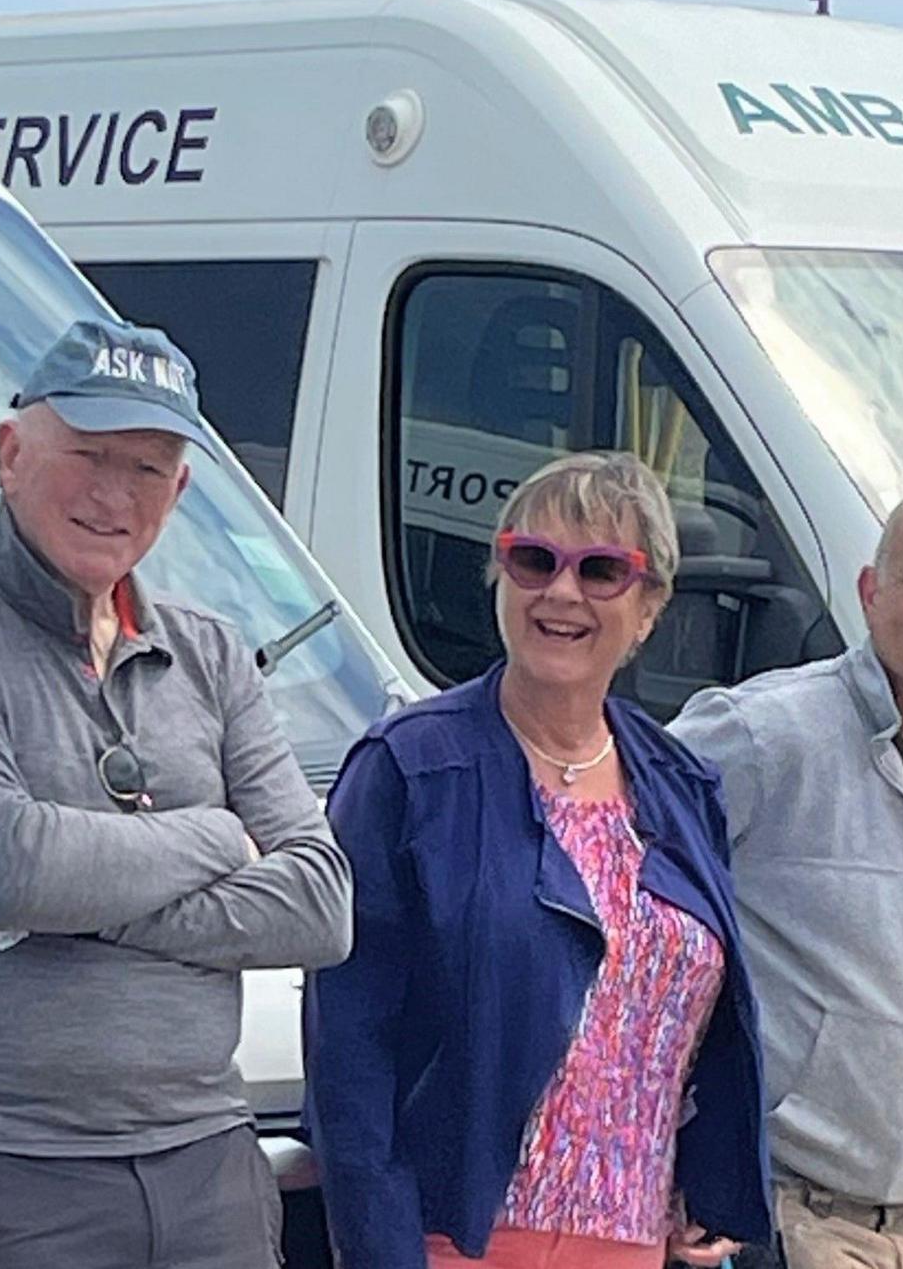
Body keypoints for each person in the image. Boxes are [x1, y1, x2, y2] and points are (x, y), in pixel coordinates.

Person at [0, 319, 354, 1269]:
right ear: (10, 453)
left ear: (183, 490)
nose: (116, 493)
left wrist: (78, 903)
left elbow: (322, 906)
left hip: (210, 1160)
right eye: (90, 453)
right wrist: (213, 834)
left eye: (151, 467)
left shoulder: (210, 651)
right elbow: (16, 867)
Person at [306, 450, 773, 1269]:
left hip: (630, 1244)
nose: (561, 591)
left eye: (601, 570)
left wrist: (714, 1176)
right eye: (534, 559)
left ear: (650, 607)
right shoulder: (409, 768)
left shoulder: (683, 784)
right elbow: (348, 1052)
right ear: (499, 574)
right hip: (452, 1243)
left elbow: (701, 1022)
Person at [669, 485, 903, 1269]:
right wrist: (677, 1156)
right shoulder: (760, 735)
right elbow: (618, 897)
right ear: (872, 592)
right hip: (783, 1210)